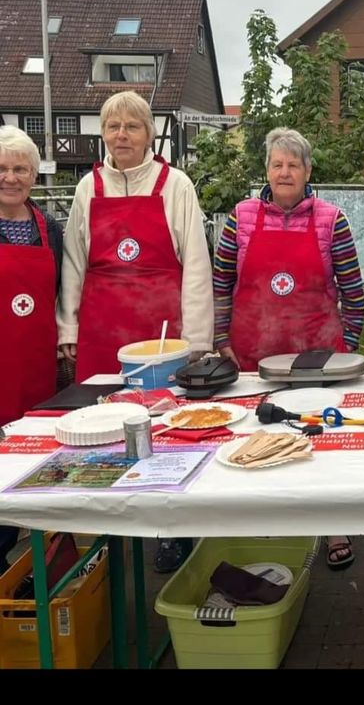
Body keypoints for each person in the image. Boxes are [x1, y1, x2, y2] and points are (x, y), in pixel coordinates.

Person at [58, 90, 214, 574]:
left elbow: (195, 265)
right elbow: (73, 264)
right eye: (112, 127)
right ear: (102, 134)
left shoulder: (176, 185)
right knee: (97, 433)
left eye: (132, 127)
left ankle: (173, 531)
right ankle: (103, 533)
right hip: (102, 329)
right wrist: (69, 327)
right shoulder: (89, 188)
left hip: (162, 331)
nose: (121, 135)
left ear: (150, 135)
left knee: (168, 435)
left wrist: (199, 339)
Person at [213, 126, 364, 569]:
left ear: (307, 171)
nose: (285, 172)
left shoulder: (331, 220)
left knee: (322, 438)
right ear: (266, 169)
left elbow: (354, 292)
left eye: (293, 165)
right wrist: (221, 339)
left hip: (318, 354)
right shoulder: (239, 218)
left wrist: (348, 348)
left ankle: (333, 524)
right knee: (254, 439)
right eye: (277, 164)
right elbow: (222, 284)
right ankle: (264, 525)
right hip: (252, 354)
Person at [0, 128, 64, 572]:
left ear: (34, 174)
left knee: (34, 462)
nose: (10, 177)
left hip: (37, 364)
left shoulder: (50, 229)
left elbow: (58, 293)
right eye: (2, 169)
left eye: (20, 168)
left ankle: (41, 560)